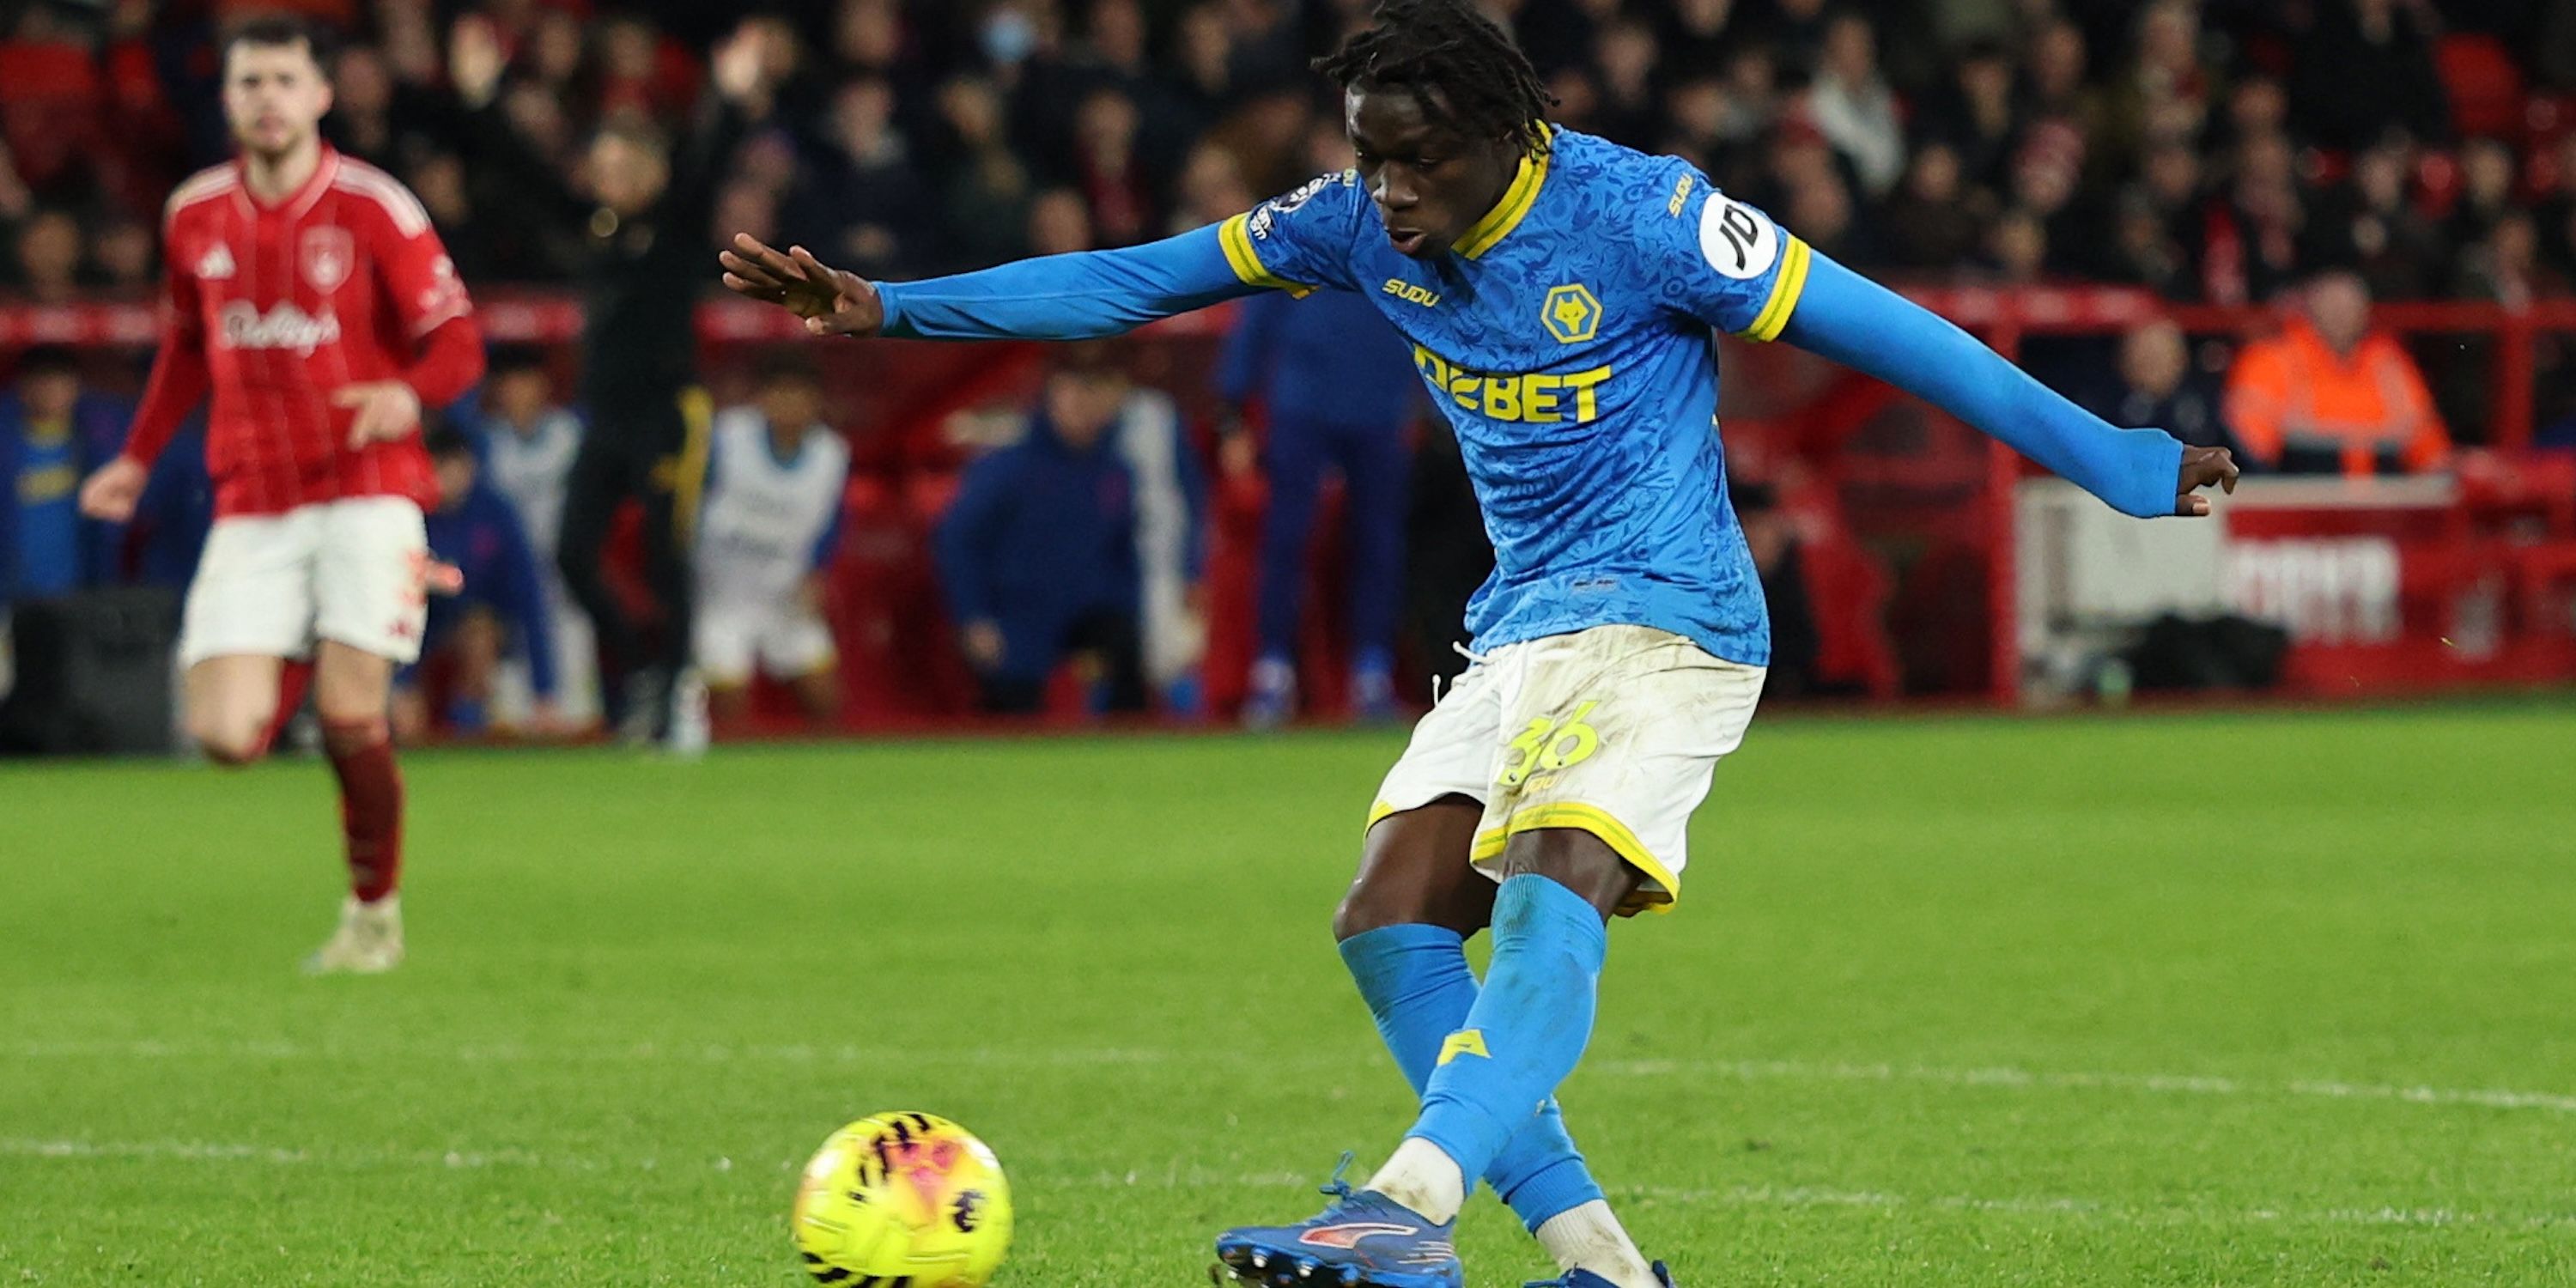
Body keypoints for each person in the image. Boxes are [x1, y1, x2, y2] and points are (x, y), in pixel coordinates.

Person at [718, 1, 2236, 1282]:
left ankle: (1408, 1207)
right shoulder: (1349, 226)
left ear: (1507, 135)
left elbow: (1895, 331)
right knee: (1386, 915)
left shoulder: (1641, 215)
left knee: (1552, 876)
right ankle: (1601, 1261)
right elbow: (1133, 279)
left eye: (1419, 155)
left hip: (1673, 624)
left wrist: (2116, 457)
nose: (1387, 188)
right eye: (1371, 155)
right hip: (1524, 628)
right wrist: (891, 309)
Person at [76, 17, 484, 975]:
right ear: (228, 99)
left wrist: (406, 394)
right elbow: (186, 347)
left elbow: (458, 343)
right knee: (223, 736)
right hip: (253, 497)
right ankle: (316, 629)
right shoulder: (194, 215)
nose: (267, 96)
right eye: (250, 80)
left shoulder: (374, 206)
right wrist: (137, 457)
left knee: (352, 719)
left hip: (365, 488)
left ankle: (372, 916)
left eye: (284, 80)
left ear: (319, 96)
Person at [447, 15, 778, 745]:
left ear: (655, 170)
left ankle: (677, 693)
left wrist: (727, 96)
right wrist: (483, 98)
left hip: (669, 412)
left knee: (668, 554)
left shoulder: (680, 221)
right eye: (606, 166)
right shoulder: (592, 224)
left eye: (628, 165)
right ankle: (641, 672)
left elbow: (709, 159)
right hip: (605, 418)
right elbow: (523, 171)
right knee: (572, 553)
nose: (614, 178)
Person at [1218, 287, 1421, 727]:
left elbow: (1434, 301)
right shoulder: (1298, 215)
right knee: (1286, 540)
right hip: (1306, 400)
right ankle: (1273, 671)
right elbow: (1262, 294)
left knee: (1378, 544)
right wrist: (1233, 406)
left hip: (1378, 399)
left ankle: (1372, 671)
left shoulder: (1401, 227)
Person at [931, 349, 1147, 716]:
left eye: (1092, 392)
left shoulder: (1114, 471)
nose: (1083, 405)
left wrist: (1127, 610)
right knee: (1014, 715)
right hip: (1017, 616)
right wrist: (974, 617)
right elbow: (957, 541)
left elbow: (1123, 551)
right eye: (1073, 392)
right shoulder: (1006, 467)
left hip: (1087, 611)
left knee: (1126, 664)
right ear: (1051, 395)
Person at [692, 353, 849, 727]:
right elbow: (686, 506)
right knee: (729, 703)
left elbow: (832, 522)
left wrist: (817, 573)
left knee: (824, 696)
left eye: (800, 396)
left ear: (816, 402)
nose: (790, 406)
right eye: (781, 394)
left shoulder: (831, 454)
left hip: (785, 594)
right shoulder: (725, 439)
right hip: (723, 596)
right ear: (761, 398)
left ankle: (830, 780)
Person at [395, 428, 557, 741]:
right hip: (418, 629)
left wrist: (544, 692)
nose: (442, 479)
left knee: (479, 630)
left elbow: (530, 600)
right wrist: (399, 685)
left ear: (469, 467)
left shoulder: (497, 514)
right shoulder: (409, 517)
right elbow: (395, 601)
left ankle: (468, 721)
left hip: (478, 626)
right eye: (434, 468)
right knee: (404, 722)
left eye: (449, 468)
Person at [466, 348, 595, 729]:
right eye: (511, 384)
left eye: (528, 383)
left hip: (566, 581)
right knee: (510, 721)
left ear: (545, 387)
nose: (520, 392)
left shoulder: (572, 432)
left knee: (575, 716)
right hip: (509, 587)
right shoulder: (485, 441)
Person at [2222, 269, 2449, 477]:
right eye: (2332, 307)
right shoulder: (2269, 361)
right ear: (2310, 310)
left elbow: (2432, 453)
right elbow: (2250, 450)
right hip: (2299, 499)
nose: (2341, 316)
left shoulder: (2389, 365)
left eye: (2350, 308)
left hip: (2384, 501)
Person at [0, 347, 127, 604]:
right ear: (23, 387)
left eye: (60, 381)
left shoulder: (95, 445)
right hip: (12, 593)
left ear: (76, 386)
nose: (51, 390)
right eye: (41, 380)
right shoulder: (8, 446)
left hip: (75, 592)